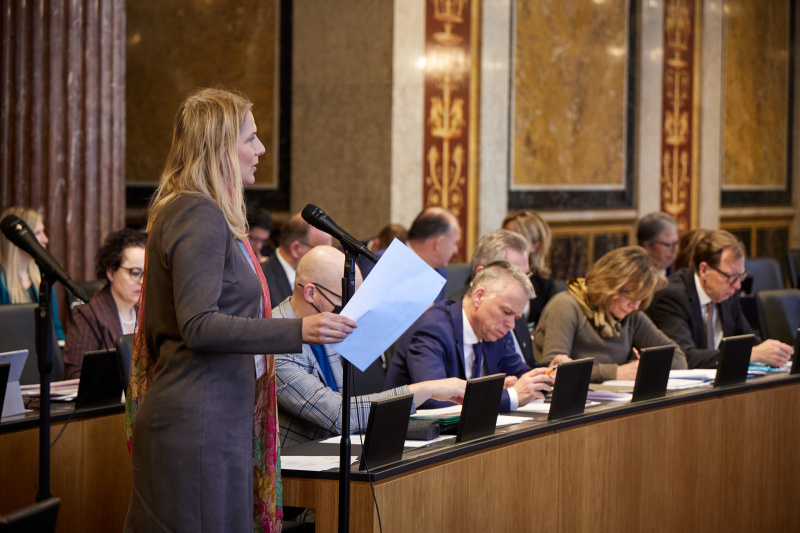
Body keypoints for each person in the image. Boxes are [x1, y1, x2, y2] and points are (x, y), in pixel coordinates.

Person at [123, 88, 356, 533]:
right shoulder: (199, 212)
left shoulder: (188, 209)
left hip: (209, 418)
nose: (261, 150)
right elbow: (199, 325)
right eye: (251, 138)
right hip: (198, 423)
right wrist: (297, 330)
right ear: (219, 148)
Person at [274, 245, 466, 447]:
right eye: (345, 299)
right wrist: (425, 389)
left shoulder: (325, 322)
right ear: (311, 293)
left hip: (333, 450)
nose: (351, 311)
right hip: (294, 464)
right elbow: (340, 415)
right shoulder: (276, 340)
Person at [385, 261, 555, 412]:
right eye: (507, 312)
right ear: (479, 297)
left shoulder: (491, 330)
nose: (511, 325)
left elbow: (521, 374)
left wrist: (549, 378)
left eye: (516, 317)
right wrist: (510, 396)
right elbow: (433, 401)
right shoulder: (433, 329)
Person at [534, 246, 687, 382]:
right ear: (610, 287)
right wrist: (616, 372)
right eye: (631, 297)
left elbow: (678, 360)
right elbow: (553, 371)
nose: (636, 305)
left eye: (641, 299)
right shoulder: (566, 306)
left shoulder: (632, 315)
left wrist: (641, 367)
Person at [646, 230, 792, 369]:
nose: (737, 285)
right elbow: (684, 357)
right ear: (704, 270)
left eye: (740, 276)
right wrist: (751, 354)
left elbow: (747, 340)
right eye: (731, 277)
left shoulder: (728, 293)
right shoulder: (672, 296)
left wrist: (776, 351)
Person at [447, 229, 540, 367]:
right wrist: (512, 389)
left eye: (526, 276)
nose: (525, 285)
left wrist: (548, 372)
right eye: (516, 277)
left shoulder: (514, 306)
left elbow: (525, 366)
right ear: (482, 274)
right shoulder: (456, 316)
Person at [63, 228, 146, 379]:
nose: (142, 281)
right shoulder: (88, 317)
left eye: (146, 273)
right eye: (135, 273)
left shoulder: (147, 312)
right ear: (111, 272)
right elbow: (75, 378)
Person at [0, 206, 65, 340]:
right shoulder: (2, 281)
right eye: (37, 233)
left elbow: (55, 327)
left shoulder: (41, 277)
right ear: (16, 238)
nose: (45, 239)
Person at [502, 210, 561, 327]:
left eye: (516, 240)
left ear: (535, 245)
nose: (507, 244)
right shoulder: (488, 271)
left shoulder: (543, 281)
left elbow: (549, 323)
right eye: (505, 237)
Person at [260, 212, 332, 305]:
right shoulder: (261, 281)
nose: (327, 258)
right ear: (296, 249)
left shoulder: (322, 279)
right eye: (322, 250)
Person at [406, 207, 461, 301]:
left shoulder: (440, 273)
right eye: (455, 243)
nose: (456, 250)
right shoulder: (381, 261)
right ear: (439, 243)